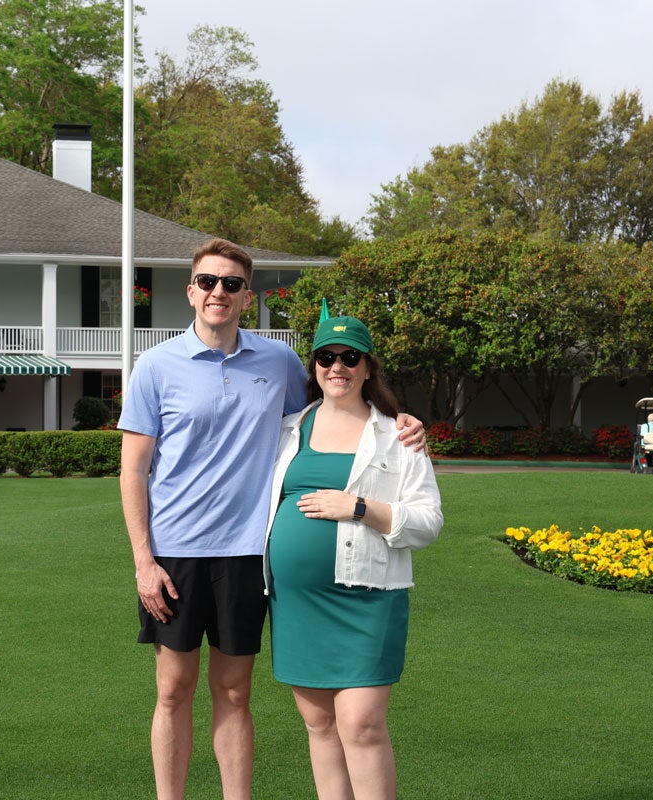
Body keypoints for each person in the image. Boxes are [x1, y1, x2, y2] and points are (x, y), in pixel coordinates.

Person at [118, 238, 426, 800]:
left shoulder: (280, 362)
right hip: (175, 555)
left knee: (235, 693)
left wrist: (400, 421)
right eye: (208, 282)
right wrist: (144, 560)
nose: (219, 293)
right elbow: (133, 471)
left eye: (231, 284)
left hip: (246, 556)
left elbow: (337, 405)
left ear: (246, 296)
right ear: (191, 291)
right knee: (172, 690)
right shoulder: (156, 366)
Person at [263, 316, 442, 800]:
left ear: (367, 368)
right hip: (297, 604)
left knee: (362, 725)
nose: (336, 366)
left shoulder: (399, 437)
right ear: (314, 367)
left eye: (349, 357)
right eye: (326, 357)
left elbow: (428, 523)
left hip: (368, 598)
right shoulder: (284, 430)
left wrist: (360, 508)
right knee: (320, 726)